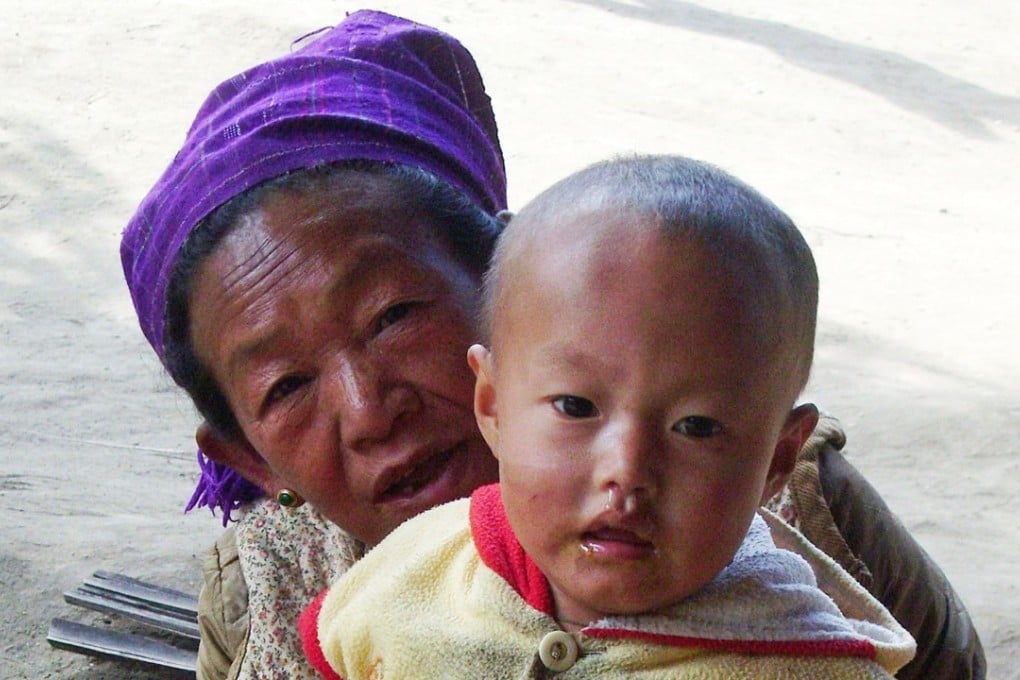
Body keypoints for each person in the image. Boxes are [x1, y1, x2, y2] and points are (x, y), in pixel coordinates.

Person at [118, 10, 984, 680]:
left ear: (505, 288)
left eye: (394, 316)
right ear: (247, 457)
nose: (368, 408)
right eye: (286, 387)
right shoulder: (269, 588)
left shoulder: (797, 505)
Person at [299, 154, 916, 679]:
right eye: (576, 407)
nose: (628, 470)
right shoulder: (422, 570)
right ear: (492, 404)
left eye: (696, 427)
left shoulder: (809, 664)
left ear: (778, 458)